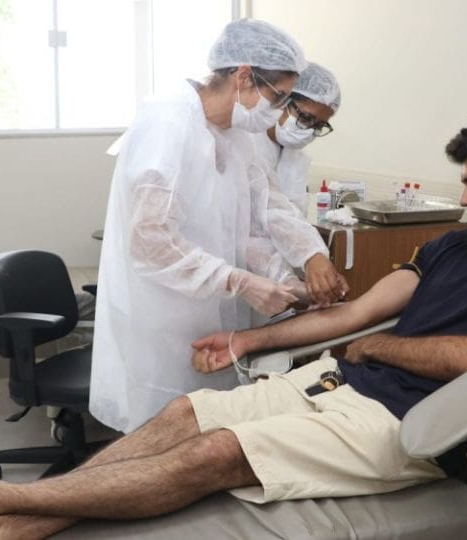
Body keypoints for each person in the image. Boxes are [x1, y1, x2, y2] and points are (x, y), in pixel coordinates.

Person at [0, 108, 467, 539]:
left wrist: (379, 346)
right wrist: (245, 339)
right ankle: (4, 529)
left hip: (406, 425)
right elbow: (350, 314)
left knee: (216, 451)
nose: (464, 198)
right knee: (184, 413)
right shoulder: (447, 246)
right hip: (334, 381)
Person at [90, 19, 349, 433]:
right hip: (162, 315)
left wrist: (295, 274)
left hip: (210, 314)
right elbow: (150, 241)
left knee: (206, 428)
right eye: (279, 96)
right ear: (244, 76)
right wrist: (241, 283)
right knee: (161, 435)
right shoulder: (168, 123)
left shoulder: (235, 135)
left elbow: (259, 217)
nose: (280, 112)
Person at [250, 61, 347, 315]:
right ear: (281, 99)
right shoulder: (247, 145)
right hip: (240, 282)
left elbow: (289, 221)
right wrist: (311, 257)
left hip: (271, 288)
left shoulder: (293, 158)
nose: (309, 132)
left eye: (318, 126)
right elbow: (259, 224)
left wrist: (312, 279)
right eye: (305, 117)